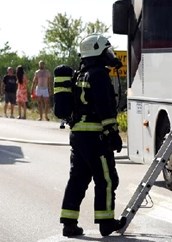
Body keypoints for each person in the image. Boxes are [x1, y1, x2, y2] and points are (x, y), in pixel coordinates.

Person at [59, 34, 126, 237]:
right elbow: (105, 106)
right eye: (107, 51)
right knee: (106, 179)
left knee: (77, 179)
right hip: (96, 137)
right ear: (97, 51)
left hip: (78, 136)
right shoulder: (98, 74)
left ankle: (69, 224)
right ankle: (106, 222)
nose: (110, 55)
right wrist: (112, 133)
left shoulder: (80, 74)